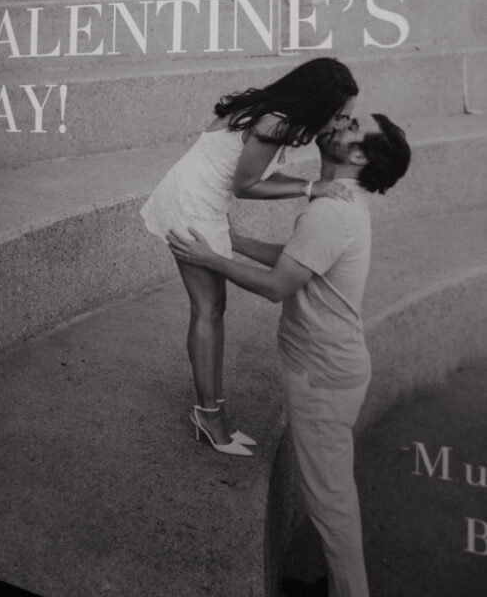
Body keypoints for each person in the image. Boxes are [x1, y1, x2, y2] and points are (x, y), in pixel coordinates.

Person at [167, 111, 411, 597]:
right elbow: (297, 256)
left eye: (352, 126)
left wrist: (212, 259)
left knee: (331, 504)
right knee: (332, 495)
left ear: (358, 155)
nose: (339, 121)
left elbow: (279, 286)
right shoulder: (340, 204)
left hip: (323, 378)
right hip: (331, 369)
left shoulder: (331, 210)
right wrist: (234, 241)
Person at [140, 57, 359, 456]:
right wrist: (311, 188)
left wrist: (309, 187)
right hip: (193, 205)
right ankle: (209, 416)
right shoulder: (274, 123)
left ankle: (213, 410)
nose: (342, 124)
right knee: (208, 310)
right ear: (319, 102)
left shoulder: (273, 114)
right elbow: (245, 186)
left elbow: (250, 174)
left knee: (211, 309)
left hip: (197, 199)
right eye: (341, 115)